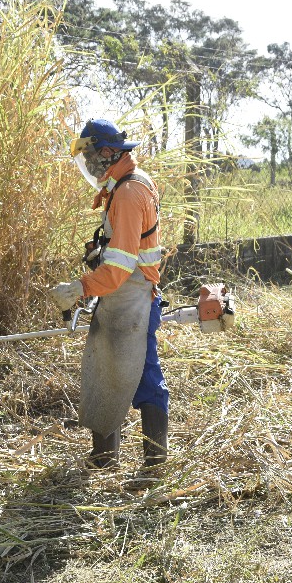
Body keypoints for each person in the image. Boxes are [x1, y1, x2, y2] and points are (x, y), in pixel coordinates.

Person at [48, 118, 169, 475]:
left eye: (88, 156)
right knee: (105, 372)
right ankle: (103, 462)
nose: (86, 165)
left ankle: (154, 467)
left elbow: (118, 269)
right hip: (120, 295)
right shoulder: (122, 186)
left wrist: (80, 288)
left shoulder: (130, 193)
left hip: (134, 299)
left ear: (105, 153)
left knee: (144, 378)